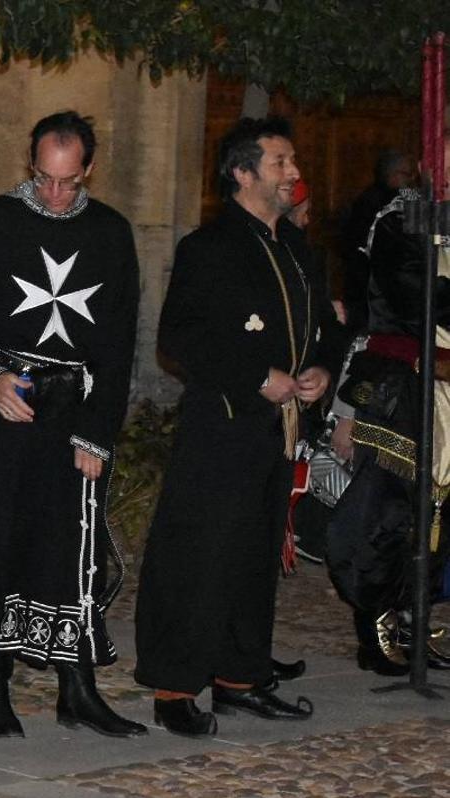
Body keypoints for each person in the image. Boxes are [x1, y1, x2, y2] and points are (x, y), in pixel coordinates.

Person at [0, 111, 145, 740]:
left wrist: (97, 430)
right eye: (45, 178)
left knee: (71, 548)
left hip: (71, 411)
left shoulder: (110, 232)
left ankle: (77, 687)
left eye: (68, 182)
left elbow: (119, 340)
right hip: (4, 407)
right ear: (30, 163)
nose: (54, 193)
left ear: (88, 170)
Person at [135, 116, 347, 737]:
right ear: (242, 172)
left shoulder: (298, 250)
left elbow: (326, 330)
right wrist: (257, 376)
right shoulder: (208, 247)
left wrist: (320, 369)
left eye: (293, 161)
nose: (294, 173)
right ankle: (175, 687)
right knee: (202, 556)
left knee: (255, 558)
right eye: (281, 162)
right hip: (222, 430)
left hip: (278, 433)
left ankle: (240, 677)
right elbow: (181, 337)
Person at [327, 129, 450, 675]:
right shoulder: (403, 219)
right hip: (406, 385)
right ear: (428, 163)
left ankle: (418, 620)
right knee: (389, 510)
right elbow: (416, 298)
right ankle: (378, 622)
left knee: (438, 516)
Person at [338, 149, 416, 334]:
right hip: (377, 302)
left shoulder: (369, 198)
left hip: (366, 292)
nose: (412, 180)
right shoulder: (390, 206)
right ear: (393, 175)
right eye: (407, 174)